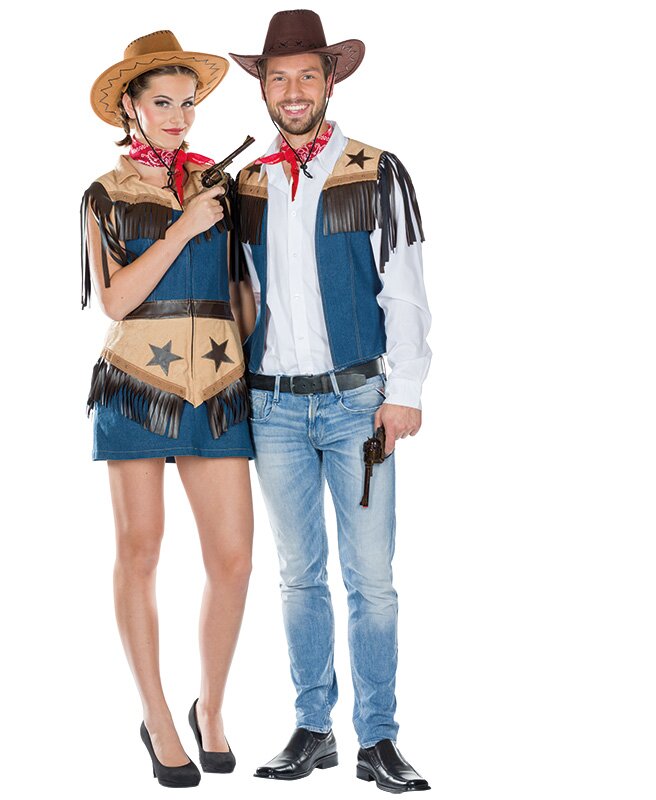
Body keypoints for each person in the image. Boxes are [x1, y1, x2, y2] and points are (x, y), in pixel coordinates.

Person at [229, 10, 432, 793]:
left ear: (329, 82)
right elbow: (240, 292)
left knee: (371, 577)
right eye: (278, 77)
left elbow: (403, 288)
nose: (292, 91)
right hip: (273, 408)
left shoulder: (374, 171)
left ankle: (377, 738)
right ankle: (313, 727)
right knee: (298, 575)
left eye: (306, 76)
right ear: (263, 89)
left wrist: (403, 390)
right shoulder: (248, 183)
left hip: (356, 405)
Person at [81, 31, 254, 788]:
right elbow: (115, 299)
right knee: (141, 551)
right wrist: (183, 226)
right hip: (135, 386)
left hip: (219, 390)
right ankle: (156, 716)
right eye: (162, 102)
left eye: (188, 102)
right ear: (131, 106)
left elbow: (245, 292)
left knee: (234, 560)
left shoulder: (225, 187)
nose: (179, 116)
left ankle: (209, 706)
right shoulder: (105, 193)